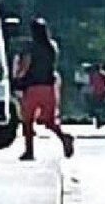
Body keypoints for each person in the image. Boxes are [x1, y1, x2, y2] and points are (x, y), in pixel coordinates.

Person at [14, 18, 75, 161]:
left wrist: (17, 78)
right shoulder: (52, 46)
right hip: (49, 86)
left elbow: (26, 65)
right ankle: (64, 137)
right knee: (49, 121)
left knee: (28, 120)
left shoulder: (31, 47)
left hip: (33, 86)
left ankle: (29, 151)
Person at [88, 63, 105, 128]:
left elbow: (91, 85)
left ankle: (97, 120)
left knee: (96, 108)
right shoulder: (104, 77)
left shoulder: (92, 76)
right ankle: (99, 120)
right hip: (101, 94)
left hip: (95, 94)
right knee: (100, 108)